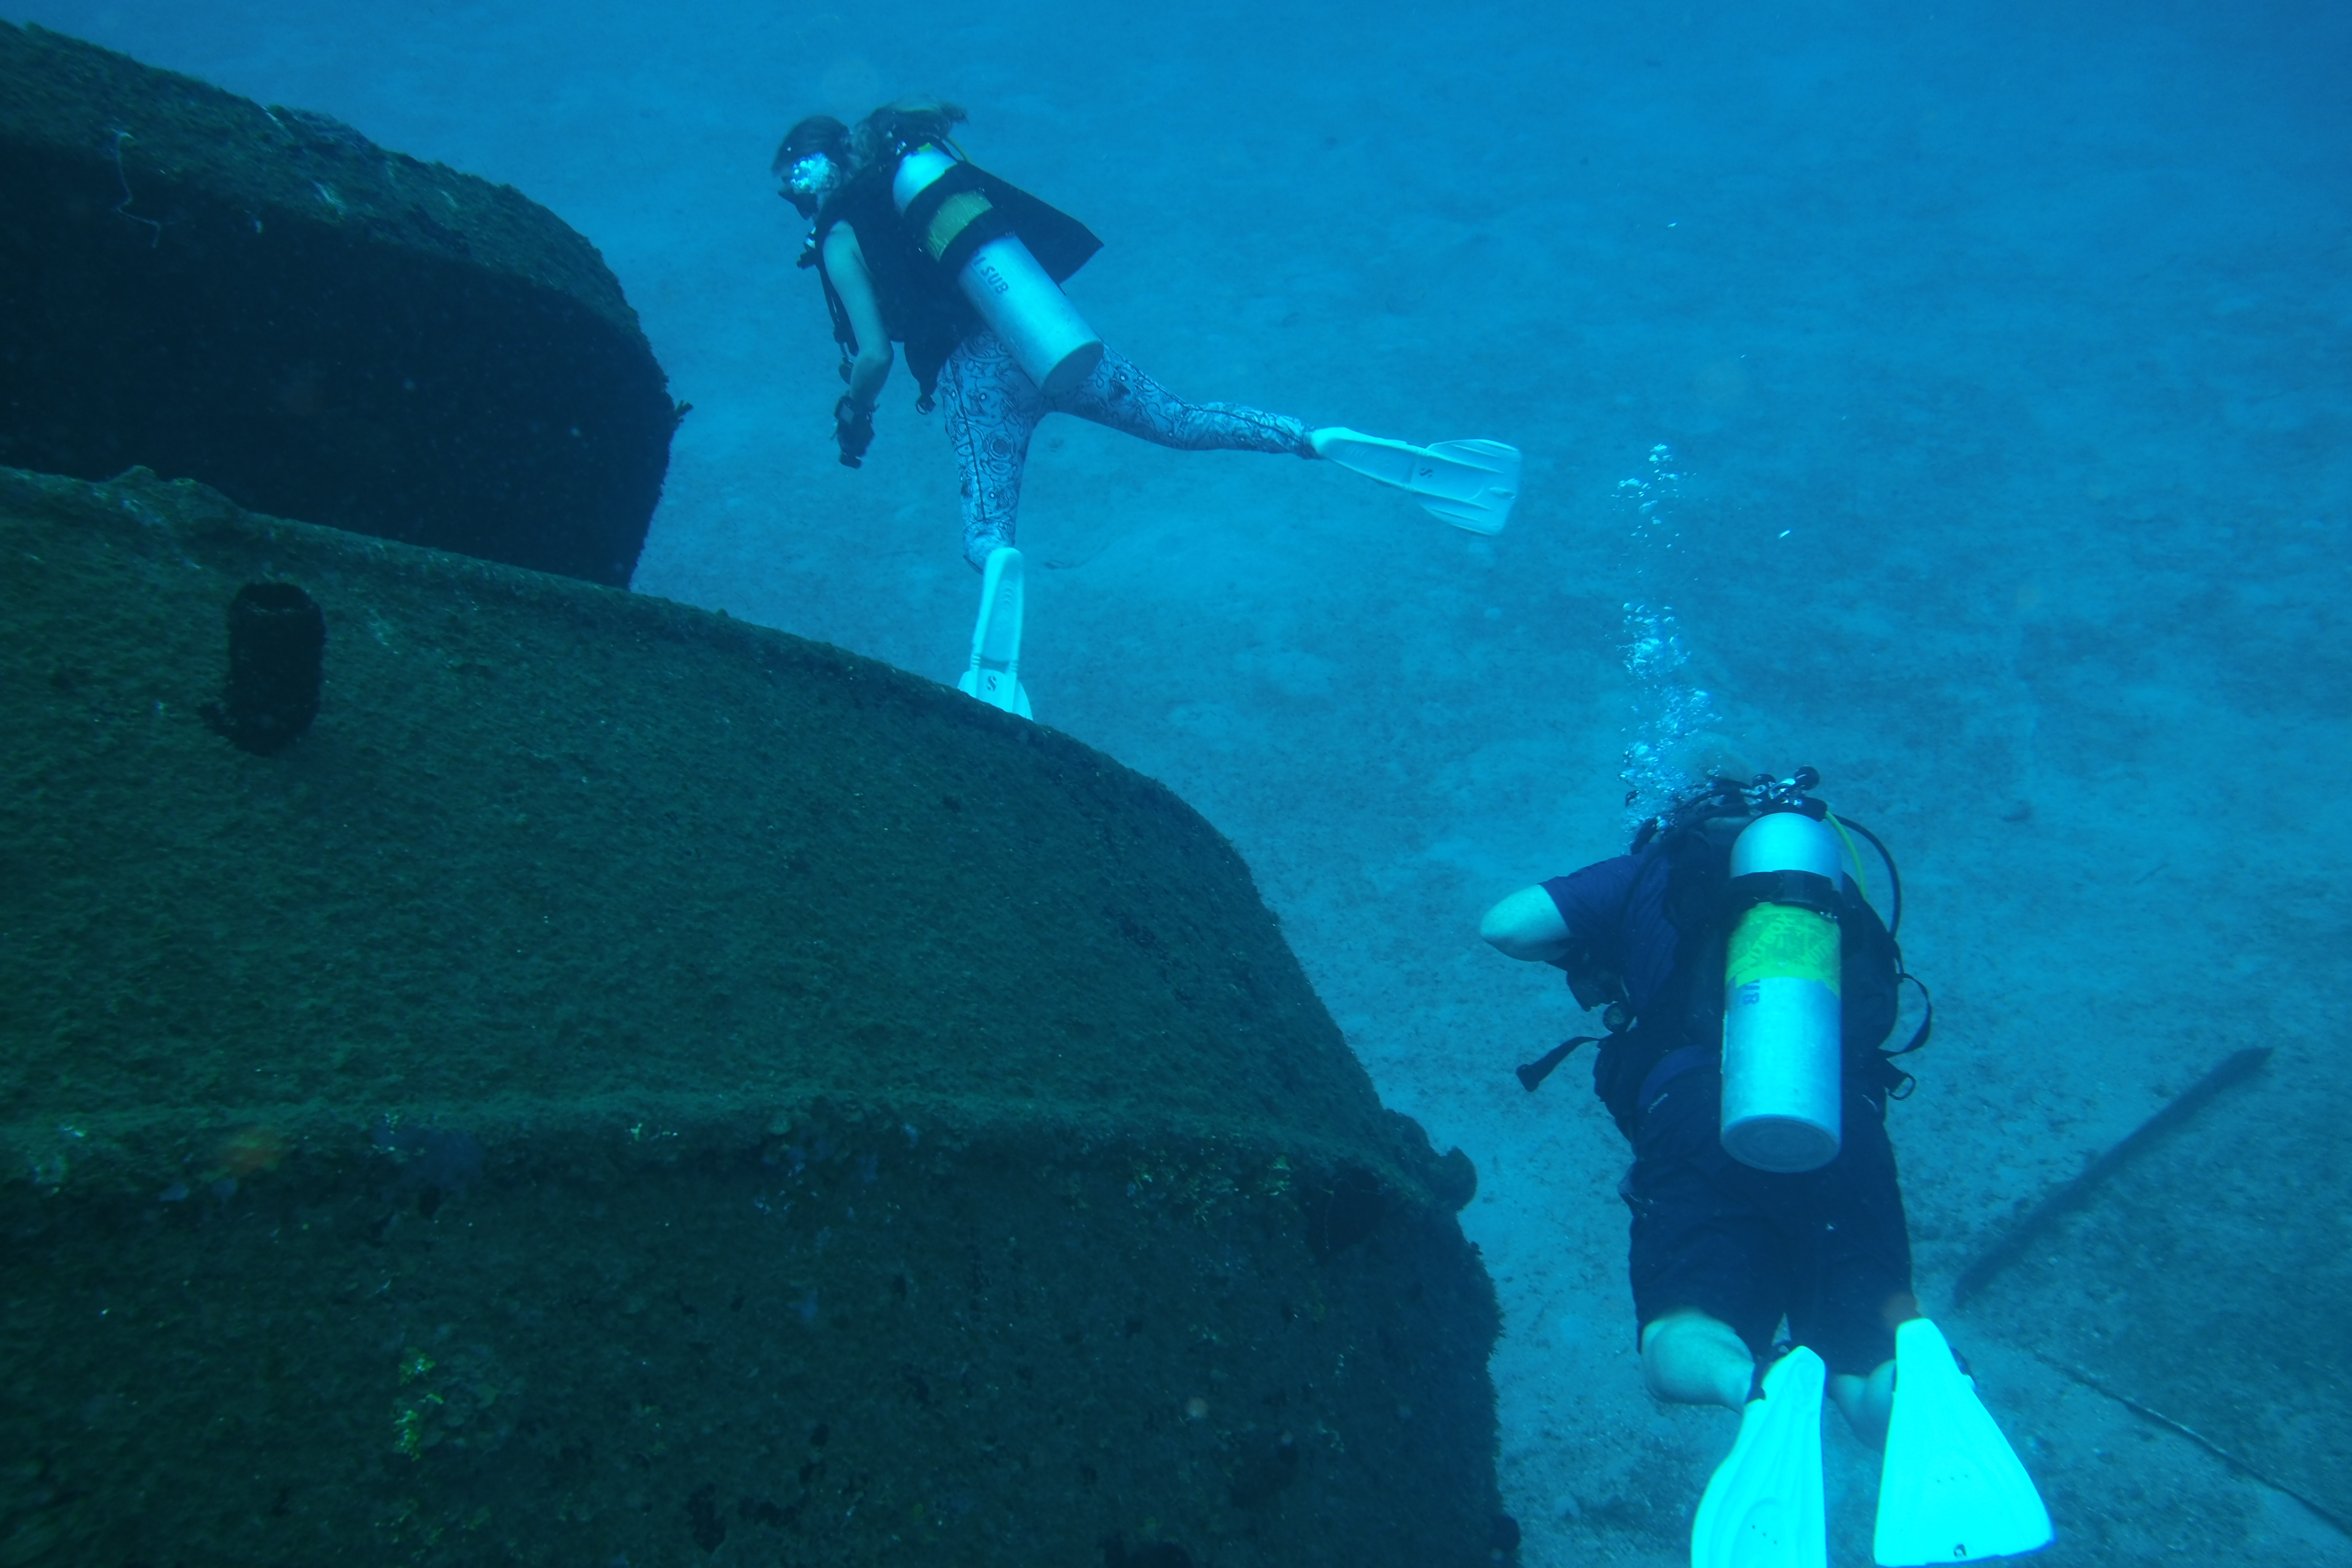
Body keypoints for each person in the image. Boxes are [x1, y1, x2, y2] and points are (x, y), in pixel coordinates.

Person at [1480, 755, 2050, 1568]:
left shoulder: (1653, 866)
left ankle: (1752, 1390)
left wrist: (1589, 947)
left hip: (1693, 1117)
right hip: (1837, 1116)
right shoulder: (1825, 885)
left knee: (1683, 1328)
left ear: (1680, 807)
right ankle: (1916, 1373)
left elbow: (1504, 924)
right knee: (1867, 1359)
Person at [771, 101, 1521, 717]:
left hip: (975, 381)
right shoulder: (920, 178)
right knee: (1183, 422)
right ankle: (1314, 438)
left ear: (809, 178)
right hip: (1043, 339)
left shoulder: (841, 230)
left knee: (990, 532)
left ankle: (998, 602)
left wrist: (853, 412)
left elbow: (871, 357)